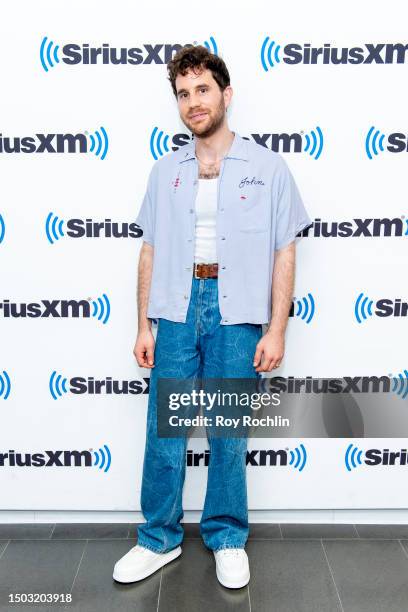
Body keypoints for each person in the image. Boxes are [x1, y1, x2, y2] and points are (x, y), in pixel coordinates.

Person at [113, 45, 312, 589]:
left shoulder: (267, 168)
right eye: (183, 93)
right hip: (176, 310)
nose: (193, 102)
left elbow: (285, 252)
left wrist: (276, 328)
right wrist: (142, 324)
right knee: (165, 433)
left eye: (202, 90)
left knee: (228, 431)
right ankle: (158, 539)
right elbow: (150, 250)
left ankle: (226, 537)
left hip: (237, 314)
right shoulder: (165, 170)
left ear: (226, 95)